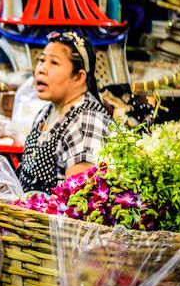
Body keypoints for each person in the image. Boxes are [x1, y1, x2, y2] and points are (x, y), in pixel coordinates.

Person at [18, 31, 112, 193]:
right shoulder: (49, 110)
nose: (42, 69)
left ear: (78, 77)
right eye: (41, 60)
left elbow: (78, 201)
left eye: (54, 63)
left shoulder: (86, 122)